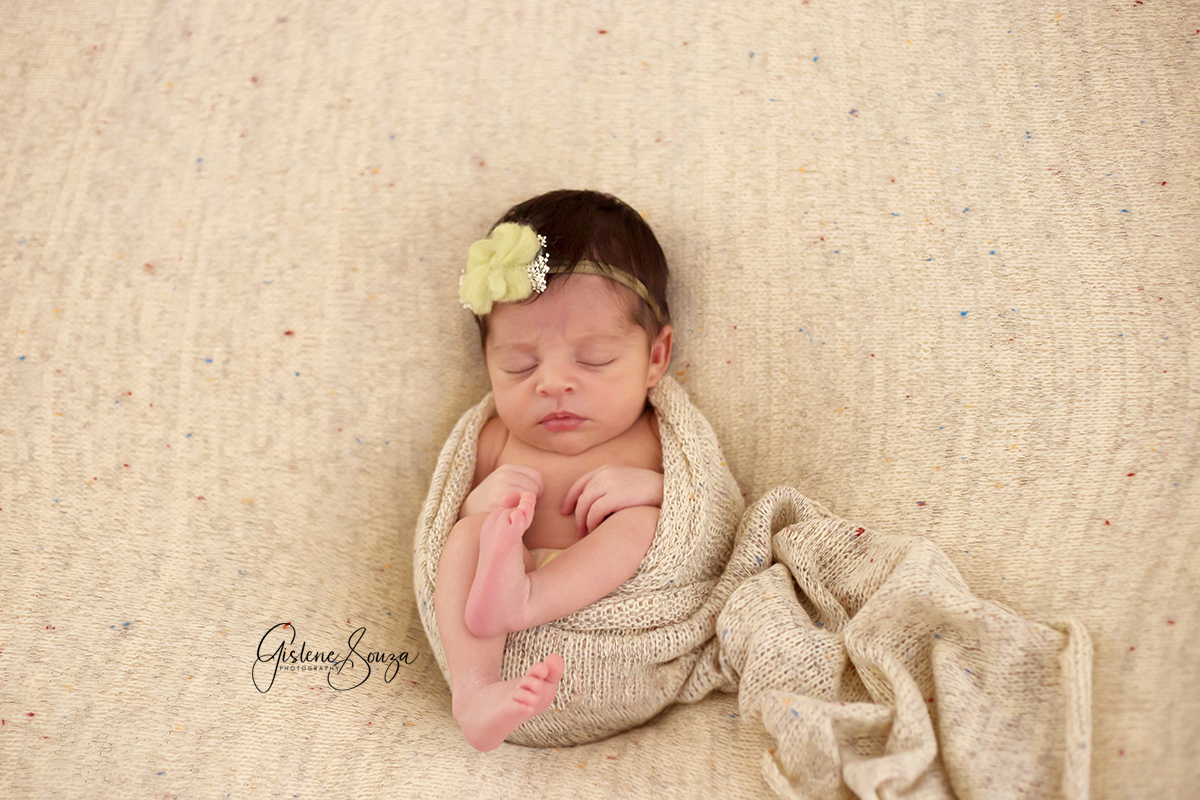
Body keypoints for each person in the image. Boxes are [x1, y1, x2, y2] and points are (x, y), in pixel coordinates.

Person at [434, 189, 674, 751]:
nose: (553, 383)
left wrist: (658, 491)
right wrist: (480, 505)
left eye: (594, 360)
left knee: (641, 524)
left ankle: (530, 597)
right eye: (519, 365)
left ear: (655, 360)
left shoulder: (657, 439)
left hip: (607, 631)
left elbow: (711, 519)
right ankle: (474, 690)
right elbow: (442, 525)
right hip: (495, 629)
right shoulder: (496, 439)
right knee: (470, 536)